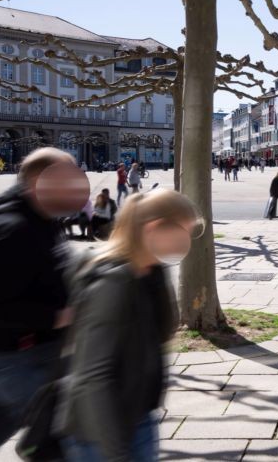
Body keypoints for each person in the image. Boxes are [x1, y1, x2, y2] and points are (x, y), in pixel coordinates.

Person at [0, 148, 89, 461]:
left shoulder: (40, 217)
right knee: (63, 438)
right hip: (20, 355)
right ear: (39, 181)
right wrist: (59, 316)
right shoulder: (11, 229)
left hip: (33, 351)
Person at [62, 190, 198, 461]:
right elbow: (93, 377)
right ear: (154, 228)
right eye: (183, 232)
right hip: (103, 433)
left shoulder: (148, 271)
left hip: (138, 416)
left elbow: (165, 328)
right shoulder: (112, 283)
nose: (187, 242)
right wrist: (114, 452)